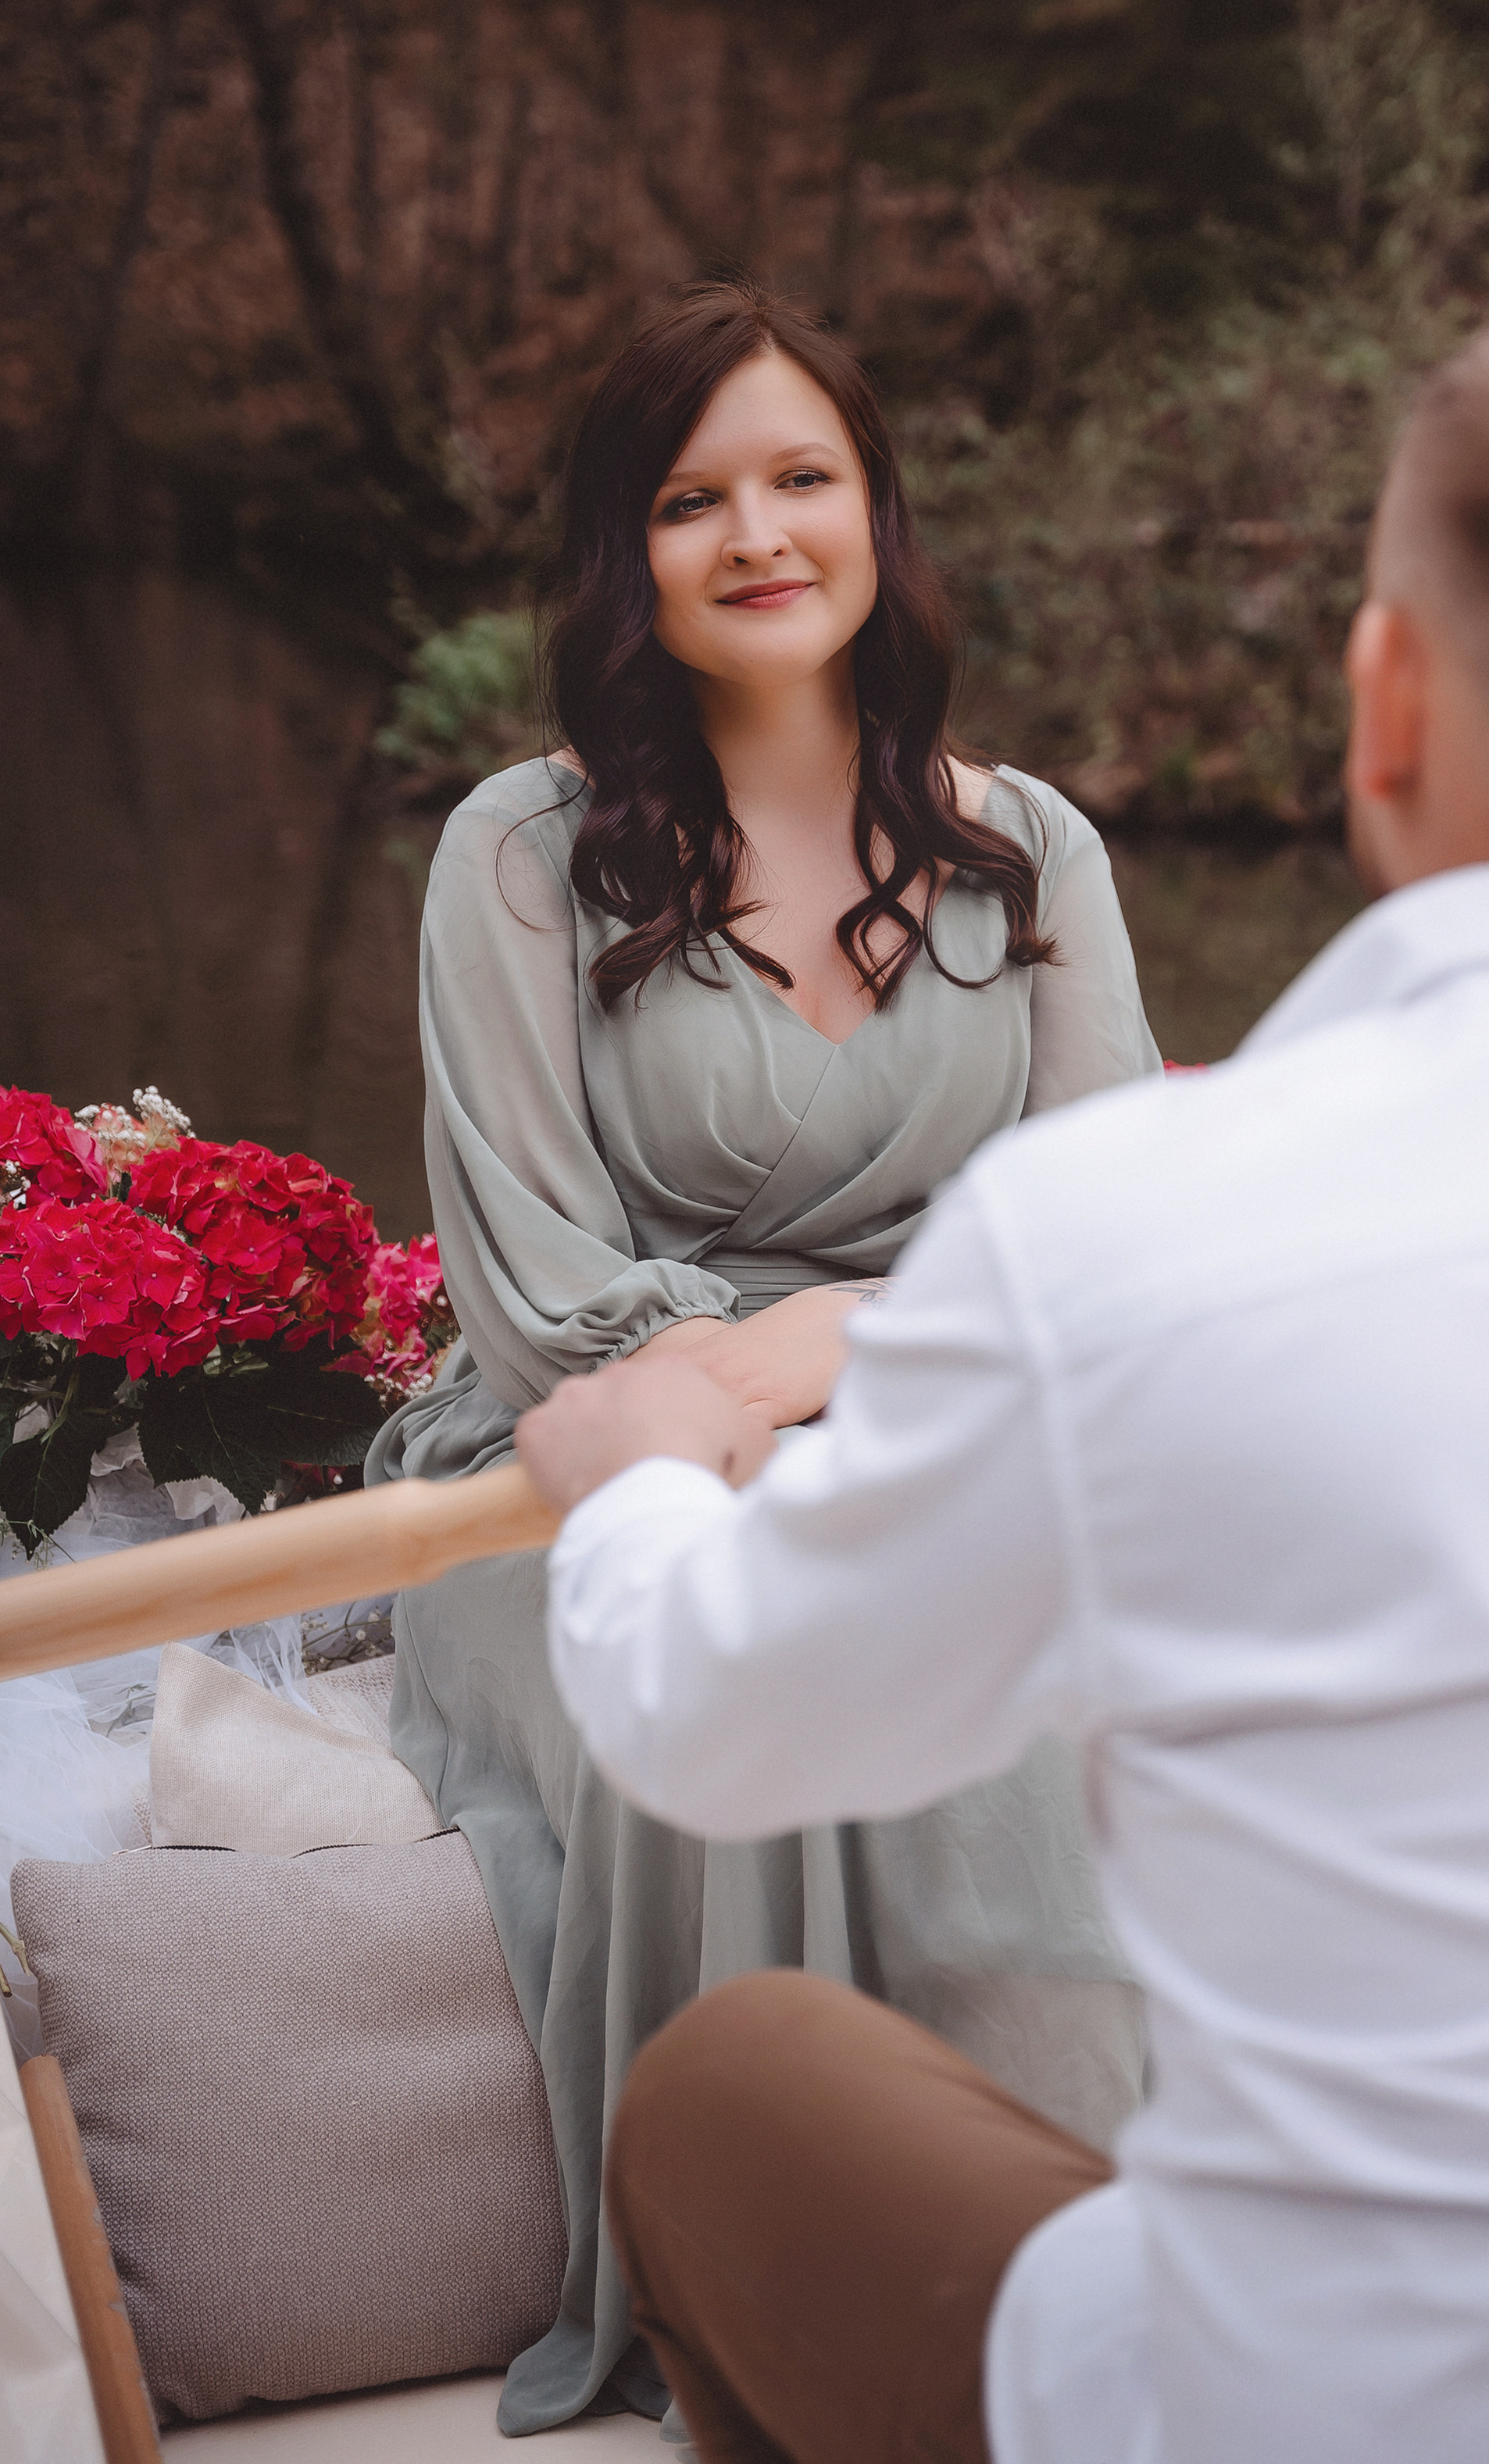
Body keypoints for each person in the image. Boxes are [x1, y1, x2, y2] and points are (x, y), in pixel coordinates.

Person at [520, 294, 1489, 2464]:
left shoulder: (1125, 1236)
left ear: (1379, 706)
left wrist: (649, 1463)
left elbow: (715, 1722)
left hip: (1344, 2412)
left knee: (743, 2084)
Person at [364, 281, 1158, 2433]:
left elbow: (1108, 1258)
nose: (758, 534)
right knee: (776, 1607)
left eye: (802, 478)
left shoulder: (1031, 850)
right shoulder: (522, 852)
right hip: (582, 1443)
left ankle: (1103, 2284)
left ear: (876, 511)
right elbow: (538, 1292)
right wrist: (783, 1367)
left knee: (1075, 1626)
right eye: (692, 499)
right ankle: (815, 2306)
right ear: (626, 555)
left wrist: (846, 1350)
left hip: (932, 1417)